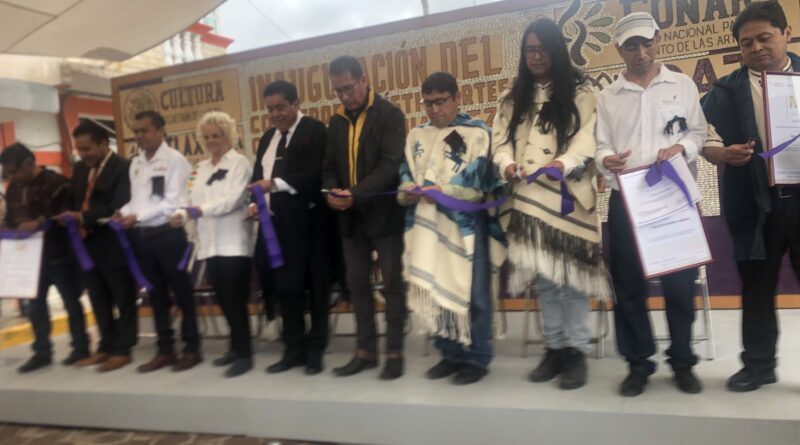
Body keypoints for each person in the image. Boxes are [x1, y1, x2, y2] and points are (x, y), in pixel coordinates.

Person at [595, 12, 708, 396]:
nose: (641, 53)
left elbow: (699, 132)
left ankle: (683, 361)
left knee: (680, 285)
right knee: (628, 286)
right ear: (619, 49)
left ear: (658, 40)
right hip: (627, 200)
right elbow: (601, 144)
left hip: (673, 197)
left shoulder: (682, 84)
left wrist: (682, 148)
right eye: (632, 46)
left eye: (647, 43)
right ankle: (638, 364)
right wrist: (605, 159)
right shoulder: (607, 96)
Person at [492, 18, 609, 390]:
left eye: (542, 49)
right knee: (545, 278)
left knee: (571, 277)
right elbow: (500, 141)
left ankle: (576, 351)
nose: (536, 57)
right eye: (530, 50)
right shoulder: (513, 97)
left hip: (568, 198)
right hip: (529, 199)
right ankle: (554, 347)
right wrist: (506, 165)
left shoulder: (582, 91)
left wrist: (564, 162)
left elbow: (589, 136)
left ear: (557, 50)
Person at [701, 1, 799, 392]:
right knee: (756, 288)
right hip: (755, 206)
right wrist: (721, 154)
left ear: (786, 34)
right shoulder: (725, 91)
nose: (756, 48)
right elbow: (700, 138)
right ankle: (758, 367)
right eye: (746, 43)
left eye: (764, 37)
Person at [399, 72, 506, 385]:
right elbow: (404, 175)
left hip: (467, 227)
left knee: (476, 294)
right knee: (435, 288)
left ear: (458, 98)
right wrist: (409, 190)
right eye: (428, 103)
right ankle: (449, 353)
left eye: (441, 101)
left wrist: (442, 191)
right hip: (427, 226)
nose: (434, 109)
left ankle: (478, 358)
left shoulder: (478, 133)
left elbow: (479, 182)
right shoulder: (416, 136)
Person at [322, 55, 408, 379]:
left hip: (385, 218)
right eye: (338, 91)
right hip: (350, 220)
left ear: (363, 80)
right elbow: (328, 167)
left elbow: (390, 165)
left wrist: (355, 193)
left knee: (392, 285)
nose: (344, 96)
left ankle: (395, 353)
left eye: (348, 88)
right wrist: (331, 190)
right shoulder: (336, 122)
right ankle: (366, 352)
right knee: (357, 285)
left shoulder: (390, 114)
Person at [248, 80, 331, 375]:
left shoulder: (315, 130)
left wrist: (274, 184)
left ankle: (316, 349)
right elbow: (258, 176)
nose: (276, 114)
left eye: (281, 107)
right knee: (286, 289)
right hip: (276, 227)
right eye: (270, 109)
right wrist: (256, 202)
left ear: (296, 103)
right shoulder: (268, 138)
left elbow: (314, 175)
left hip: (310, 225)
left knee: (317, 289)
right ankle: (293, 348)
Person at [115, 110, 201, 373]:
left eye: (144, 130)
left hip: (169, 235)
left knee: (182, 293)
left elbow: (173, 201)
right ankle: (165, 350)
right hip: (143, 237)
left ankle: (192, 348)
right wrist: (123, 211)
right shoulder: (136, 162)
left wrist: (137, 216)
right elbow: (136, 200)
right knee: (155, 294)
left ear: (161, 130)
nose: (139, 136)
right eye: (136, 131)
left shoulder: (175, 160)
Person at [171, 111, 254, 377]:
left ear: (228, 135)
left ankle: (245, 354)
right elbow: (187, 199)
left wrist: (200, 210)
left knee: (234, 299)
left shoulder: (239, 163)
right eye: (206, 137)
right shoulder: (199, 169)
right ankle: (235, 347)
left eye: (216, 136)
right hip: (208, 244)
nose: (211, 141)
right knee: (222, 298)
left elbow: (233, 199)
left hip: (234, 242)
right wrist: (181, 214)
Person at [1, 143, 90, 373]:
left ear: (29, 163)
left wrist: (39, 223)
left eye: (14, 172)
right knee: (35, 307)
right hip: (29, 259)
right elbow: (11, 218)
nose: (12, 178)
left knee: (71, 302)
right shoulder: (12, 189)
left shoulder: (57, 183)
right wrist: (6, 228)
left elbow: (66, 215)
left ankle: (81, 347)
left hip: (58, 254)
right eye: (8, 174)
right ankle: (41, 352)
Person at [57, 121, 136, 372]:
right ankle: (105, 345)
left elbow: (119, 205)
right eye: (79, 149)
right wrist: (67, 215)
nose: (83, 154)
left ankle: (123, 349)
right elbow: (75, 201)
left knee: (123, 296)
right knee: (98, 297)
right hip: (86, 244)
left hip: (113, 242)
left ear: (103, 144)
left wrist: (82, 217)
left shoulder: (124, 167)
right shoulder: (80, 169)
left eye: (87, 148)